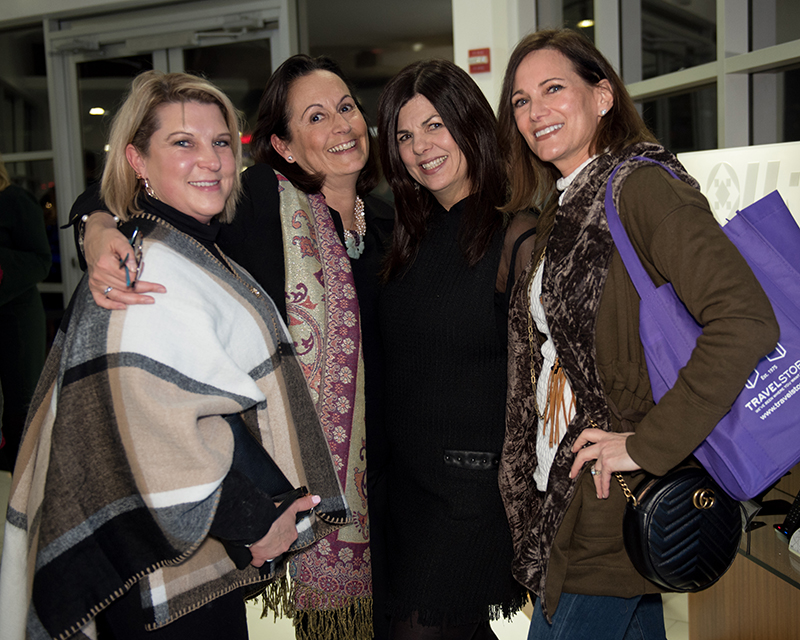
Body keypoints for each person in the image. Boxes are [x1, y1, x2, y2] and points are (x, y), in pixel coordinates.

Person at [0, 71, 348, 640]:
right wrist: (255, 521)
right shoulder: (139, 271)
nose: (210, 159)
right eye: (183, 142)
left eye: (221, 142)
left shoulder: (188, 243)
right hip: (160, 573)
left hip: (189, 558)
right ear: (137, 160)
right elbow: (136, 438)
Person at [69, 55, 393, 639]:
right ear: (283, 146)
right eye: (316, 116)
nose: (341, 125)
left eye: (346, 107)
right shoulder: (261, 203)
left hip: (388, 477)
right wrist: (97, 226)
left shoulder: (394, 223)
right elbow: (144, 186)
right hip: (279, 482)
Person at [495, 28, 780, 639]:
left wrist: (646, 445)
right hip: (576, 489)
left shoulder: (641, 188)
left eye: (553, 89)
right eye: (521, 100)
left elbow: (746, 320)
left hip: (612, 496)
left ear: (602, 96)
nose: (535, 111)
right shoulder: (566, 207)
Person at [376, 59, 534, 639]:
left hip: (471, 491)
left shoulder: (517, 234)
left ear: (470, 124)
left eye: (435, 125)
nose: (421, 147)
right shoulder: (402, 236)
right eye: (404, 135)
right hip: (406, 486)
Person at [0, 154, 51, 472]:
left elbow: (40, 260)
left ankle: (24, 480)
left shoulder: (14, 200)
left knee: (21, 405)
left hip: (16, 320)